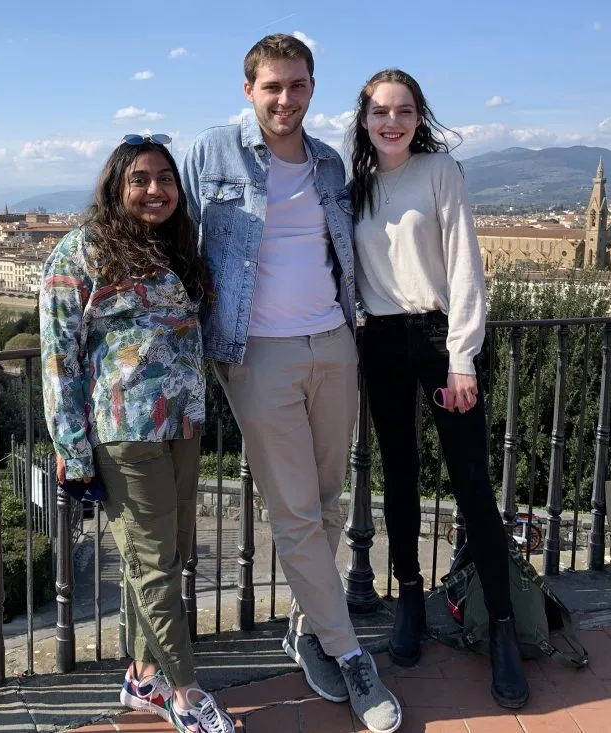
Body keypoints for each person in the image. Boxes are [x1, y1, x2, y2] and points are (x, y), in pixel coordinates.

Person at [181, 34, 401, 733]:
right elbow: (169, 235)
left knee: (329, 499)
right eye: (273, 86)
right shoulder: (211, 152)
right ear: (249, 89)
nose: (286, 99)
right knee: (298, 513)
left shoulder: (331, 162)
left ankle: (308, 627)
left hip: (336, 342)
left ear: (312, 88)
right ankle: (350, 653)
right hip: (256, 353)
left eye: (298, 85)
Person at [345, 68, 529, 709]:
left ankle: (503, 625)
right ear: (363, 120)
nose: (390, 121)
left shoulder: (441, 171)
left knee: (473, 482)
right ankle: (409, 601)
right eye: (378, 112)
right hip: (381, 339)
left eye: (402, 110)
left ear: (419, 116)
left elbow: (464, 265)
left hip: (439, 336)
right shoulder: (357, 186)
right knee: (397, 475)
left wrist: (462, 359)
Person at [40, 134, 235, 733]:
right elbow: (58, 357)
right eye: (141, 180)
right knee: (154, 565)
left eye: (166, 179)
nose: (156, 191)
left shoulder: (176, 248)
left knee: (164, 556)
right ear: (116, 186)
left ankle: (142, 677)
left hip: (182, 424)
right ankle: (186, 694)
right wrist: (73, 451)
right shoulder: (80, 252)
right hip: (123, 432)